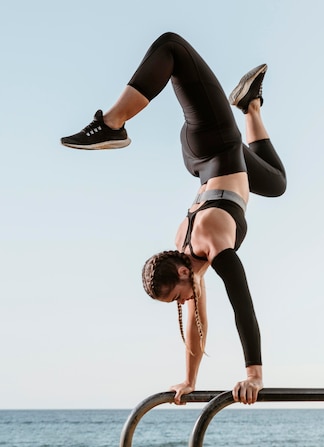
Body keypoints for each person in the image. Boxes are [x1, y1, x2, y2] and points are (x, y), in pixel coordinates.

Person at [60, 32, 286, 405]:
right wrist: (188, 380)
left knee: (173, 48)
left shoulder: (213, 244)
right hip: (204, 162)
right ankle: (250, 107)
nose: (183, 303)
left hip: (215, 142)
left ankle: (112, 124)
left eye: (178, 298)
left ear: (182, 273)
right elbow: (198, 327)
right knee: (276, 183)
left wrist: (253, 376)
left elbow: (242, 303)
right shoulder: (190, 263)